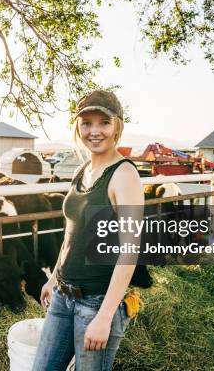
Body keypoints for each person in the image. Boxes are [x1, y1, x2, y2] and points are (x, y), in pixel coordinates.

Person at [32, 90, 151, 371]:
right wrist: (53, 278)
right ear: (78, 127)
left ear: (117, 126)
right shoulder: (82, 170)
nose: (94, 131)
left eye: (103, 123)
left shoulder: (123, 175)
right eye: (86, 123)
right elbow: (71, 234)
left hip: (96, 303)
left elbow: (129, 251)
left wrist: (105, 316)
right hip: (62, 296)